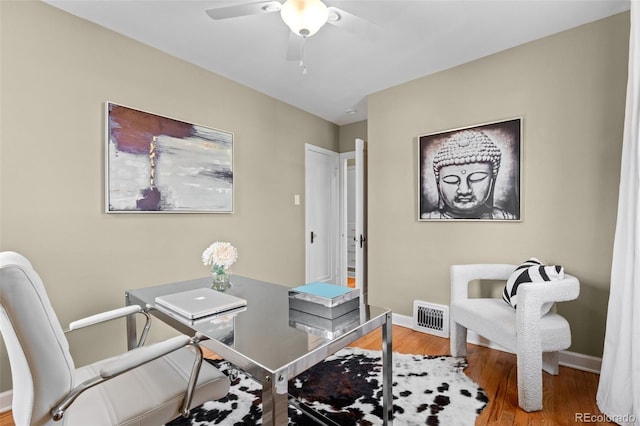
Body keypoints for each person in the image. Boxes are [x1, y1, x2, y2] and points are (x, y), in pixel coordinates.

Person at [422, 129, 516, 220]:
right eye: (451, 180)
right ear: (439, 185)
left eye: (477, 178)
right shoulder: (427, 218)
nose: (464, 191)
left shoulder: (506, 218)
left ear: (492, 180)